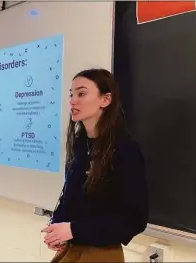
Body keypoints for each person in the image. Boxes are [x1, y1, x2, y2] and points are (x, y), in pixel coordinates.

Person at [41, 69, 149, 262]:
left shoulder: (125, 150)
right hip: (73, 248)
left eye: (81, 94)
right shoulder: (80, 145)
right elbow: (69, 197)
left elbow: (133, 220)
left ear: (105, 100)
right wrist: (57, 227)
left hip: (101, 253)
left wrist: (73, 230)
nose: (73, 101)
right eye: (71, 95)